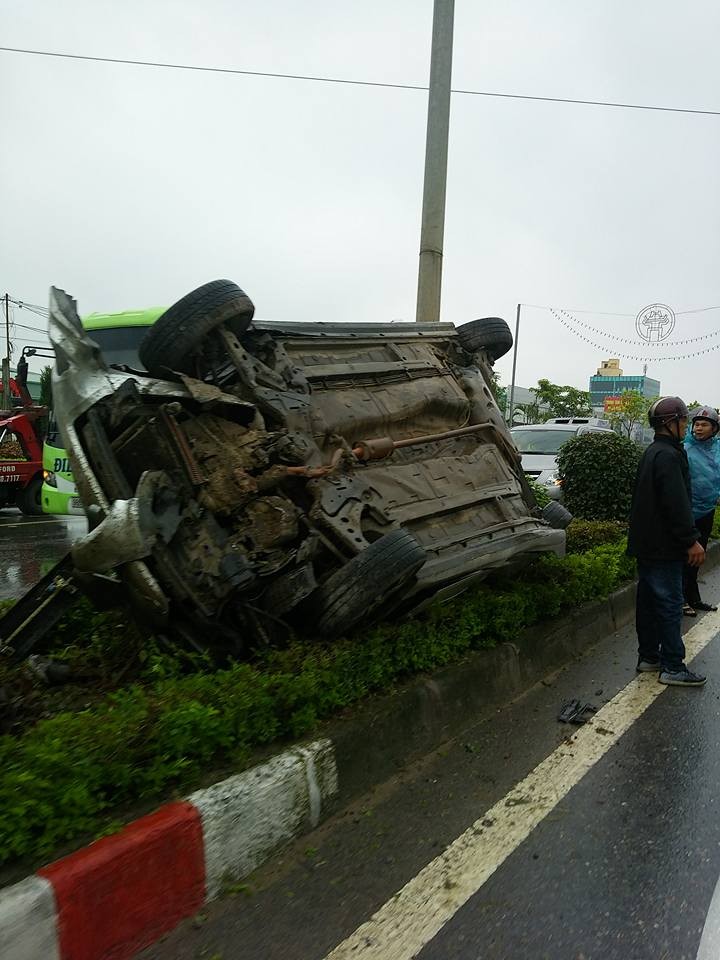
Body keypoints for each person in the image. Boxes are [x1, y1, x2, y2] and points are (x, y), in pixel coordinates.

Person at [627, 396, 707, 686]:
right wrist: (691, 540)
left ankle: (649, 657)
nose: (687, 425)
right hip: (664, 546)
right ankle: (673, 666)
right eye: (684, 420)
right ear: (670, 423)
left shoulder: (653, 452)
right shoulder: (670, 456)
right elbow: (676, 503)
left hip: (647, 544)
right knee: (671, 603)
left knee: (648, 602)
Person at [682, 405, 720, 616]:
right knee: (683, 557)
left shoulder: (718, 449)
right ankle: (680, 599)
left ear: (714, 428)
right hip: (687, 511)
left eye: (704, 424)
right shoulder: (684, 449)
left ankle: (693, 598)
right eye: (696, 424)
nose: (698, 428)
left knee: (698, 557)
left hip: (707, 510)